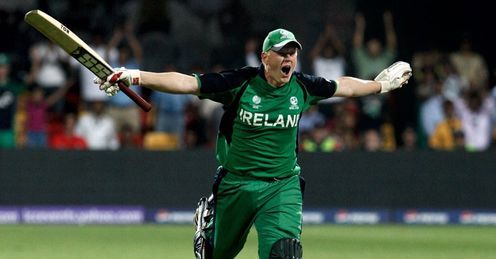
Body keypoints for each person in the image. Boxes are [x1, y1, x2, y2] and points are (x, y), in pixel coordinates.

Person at [95, 28, 412, 259]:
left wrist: (379, 85)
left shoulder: (303, 87)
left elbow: (344, 87)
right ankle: (207, 224)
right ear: (265, 58)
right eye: (282, 53)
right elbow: (187, 82)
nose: (289, 59)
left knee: (284, 253)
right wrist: (134, 75)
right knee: (216, 254)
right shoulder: (240, 82)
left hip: (281, 184)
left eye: (293, 53)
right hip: (237, 184)